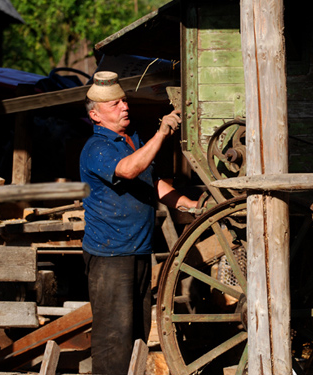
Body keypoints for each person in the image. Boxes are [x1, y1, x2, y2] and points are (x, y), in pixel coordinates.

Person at [79, 71, 197, 375]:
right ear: (95, 115)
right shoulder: (97, 148)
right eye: (114, 104)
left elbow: (151, 181)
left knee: (138, 332)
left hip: (137, 249)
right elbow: (130, 170)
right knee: (113, 339)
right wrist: (161, 133)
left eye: (124, 101)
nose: (124, 107)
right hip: (110, 255)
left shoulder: (130, 141)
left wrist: (189, 204)